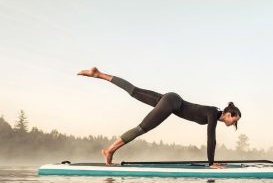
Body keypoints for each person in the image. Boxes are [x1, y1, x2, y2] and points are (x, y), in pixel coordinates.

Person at [77, 67, 241, 167]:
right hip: (172, 103)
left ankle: (98, 74)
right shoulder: (213, 113)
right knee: (142, 128)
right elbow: (211, 138)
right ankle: (109, 150)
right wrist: (211, 163)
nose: (232, 124)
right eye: (234, 120)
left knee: (134, 91)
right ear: (228, 114)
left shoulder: (214, 111)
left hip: (171, 98)